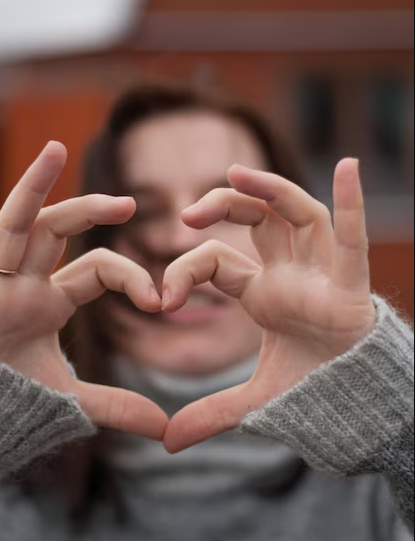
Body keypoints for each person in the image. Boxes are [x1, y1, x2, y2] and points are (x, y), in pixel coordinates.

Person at [0, 83, 413, 541]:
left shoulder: (387, 476)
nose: (182, 240)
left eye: (228, 209)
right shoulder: (12, 478)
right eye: (143, 213)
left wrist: (398, 414)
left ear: (296, 236)